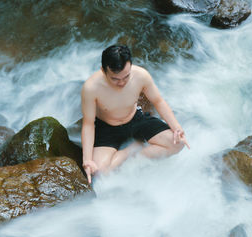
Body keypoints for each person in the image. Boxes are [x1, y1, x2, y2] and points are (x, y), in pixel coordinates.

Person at [81, 45, 189, 183]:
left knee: (177, 144)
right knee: (99, 173)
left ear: (131, 66)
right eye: (115, 79)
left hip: (135, 119)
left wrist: (176, 128)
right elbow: (88, 124)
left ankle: (137, 153)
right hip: (107, 127)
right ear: (103, 71)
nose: (121, 82)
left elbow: (158, 101)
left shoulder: (141, 75)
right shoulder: (91, 88)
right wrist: (87, 160)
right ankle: (131, 149)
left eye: (126, 77)